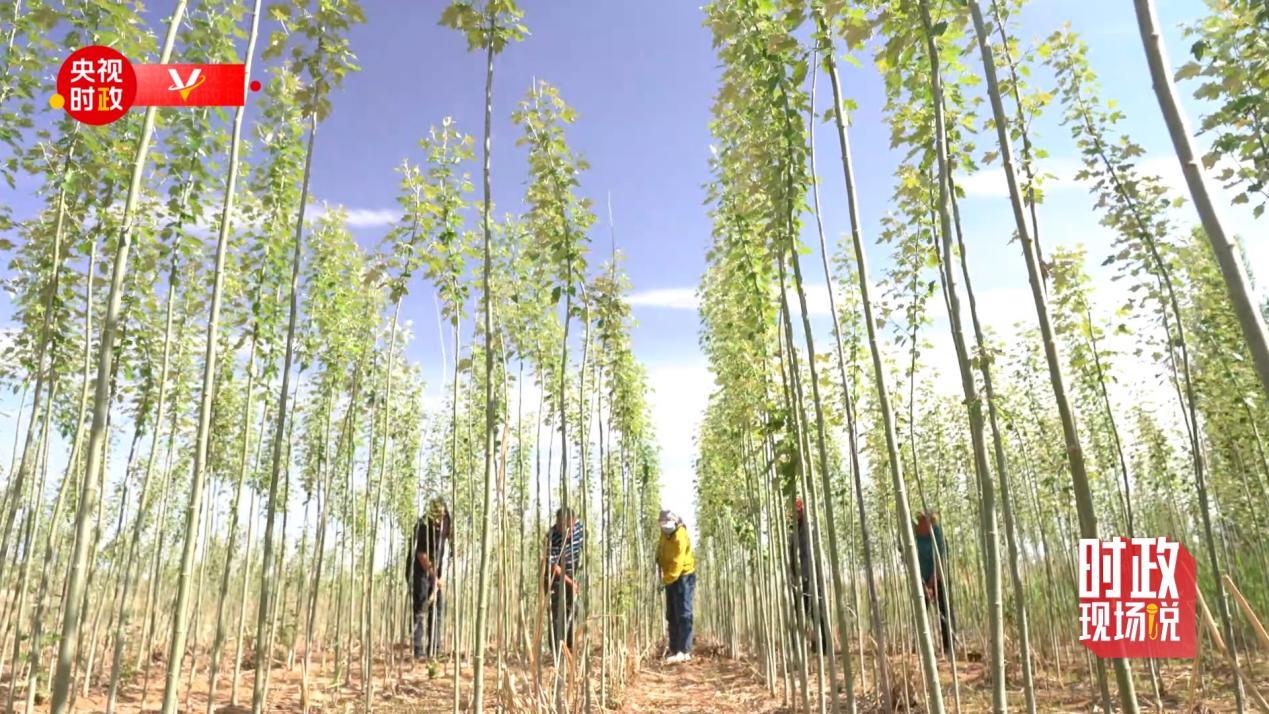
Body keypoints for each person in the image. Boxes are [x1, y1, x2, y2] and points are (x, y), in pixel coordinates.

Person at [409, 498, 452, 659]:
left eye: (442, 515)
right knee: (420, 607)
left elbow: (452, 537)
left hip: (437, 570)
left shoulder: (446, 523)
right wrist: (435, 577)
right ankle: (418, 650)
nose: (440, 520)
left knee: (437, 608)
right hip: (419, 571)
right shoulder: (422, 526)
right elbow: (421, 555)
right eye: (437, 516)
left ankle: (435, 648)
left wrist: (455, 548)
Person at [543, 506, 584, 657]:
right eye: (564, 527)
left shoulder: (579, 528)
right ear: (558, 522)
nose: (569, 532)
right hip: (554, 579)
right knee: (557, 614)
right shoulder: (551, 537)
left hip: (572, 575)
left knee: (573, 610)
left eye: (571, 527)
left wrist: (578, 577)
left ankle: (569, 649)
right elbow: (553, 566)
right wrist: (571, 583)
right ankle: (556, 652)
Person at [789, 497, 829, 651]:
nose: (793, 516)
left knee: (817, 611)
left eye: (796, 513)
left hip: (812, 577)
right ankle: (801, 648)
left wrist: (805, 577)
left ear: (801, 512)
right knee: (801, 613)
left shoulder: (809, 529)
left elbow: (810, 555)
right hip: (799, 579)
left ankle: (822, 645)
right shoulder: (795, 531)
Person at [656, 509, 696, 664]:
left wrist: (664, 580)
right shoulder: (664, 534)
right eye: (662, 524)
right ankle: (674, 649)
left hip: (683, 576)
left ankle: (685, 651)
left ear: (675, 522)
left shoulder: (680, 536)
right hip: (669, 577)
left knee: (684, 613)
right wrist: (658, 557)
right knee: (671, 614)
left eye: (667, 524)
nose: (665, 527)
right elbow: (661, 548)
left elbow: (677, 564)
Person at [915, 510, 953, 654]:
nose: (930, 525)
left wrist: (931, 585)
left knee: (944, 611)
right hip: (919, 579)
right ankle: (921, 648)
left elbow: (940, 560)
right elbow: (909, 558)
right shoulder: (913, 533)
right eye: (926, 522)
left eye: (932, 522)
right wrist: (922, 585)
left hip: (938, 577)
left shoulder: (936, 533)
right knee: (921, 612)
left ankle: (948, 647)